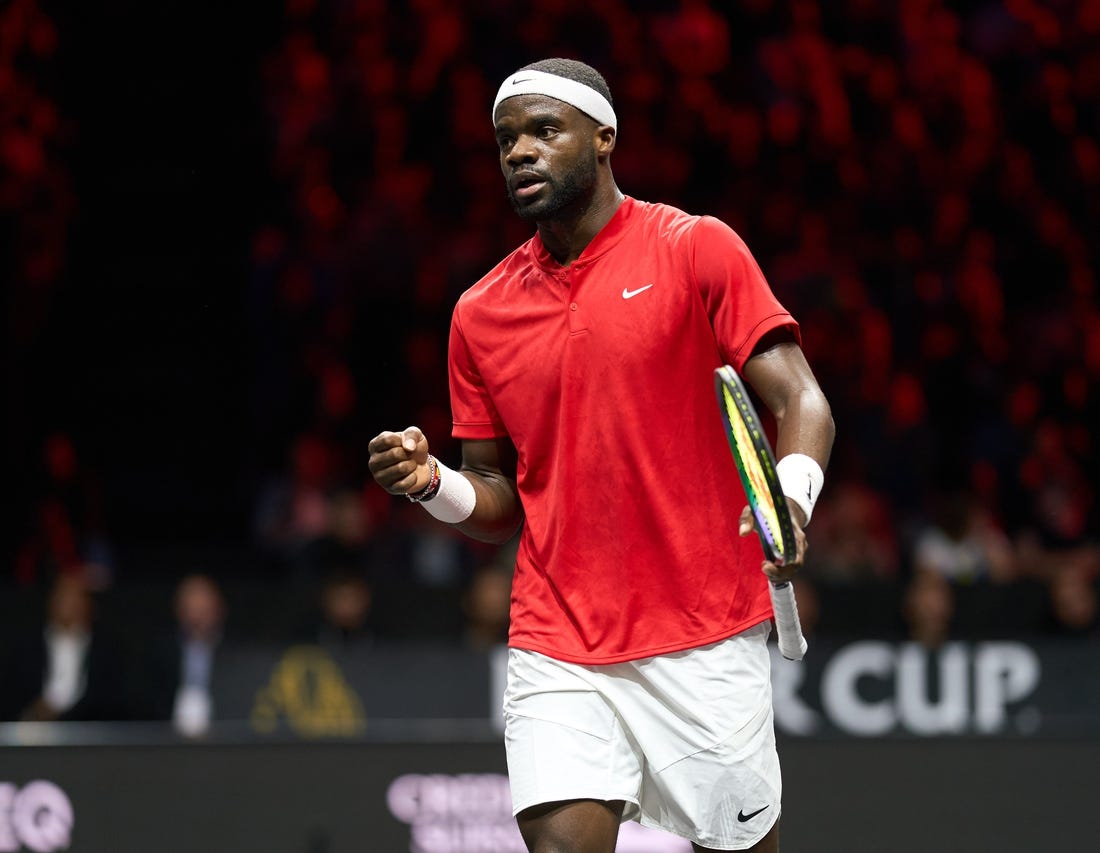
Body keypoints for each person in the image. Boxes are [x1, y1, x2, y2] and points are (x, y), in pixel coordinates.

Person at [368, 58, 834, 853]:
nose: (520, 151)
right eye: (506, 138)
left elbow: (801, 401)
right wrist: (432, 484)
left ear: (604, 136)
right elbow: (497, 496)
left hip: (703, 628)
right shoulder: (480, 313)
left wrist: (787, 500)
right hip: (560, 635)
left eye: (545, 131)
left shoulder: (697, 249)